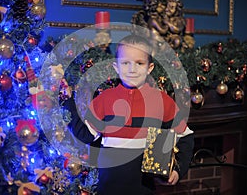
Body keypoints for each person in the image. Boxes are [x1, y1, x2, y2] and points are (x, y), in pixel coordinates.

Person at [63, 34, 194, 195]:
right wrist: (67, 102)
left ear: (149, 68)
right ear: (116, 67)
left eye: (139, 63)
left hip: (143, 189)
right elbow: (86, 135)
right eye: (125, 63)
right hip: (108, 188)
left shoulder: (162, 101)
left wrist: (178, 170)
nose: (132, 69)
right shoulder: (104, 99)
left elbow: (185, 137)